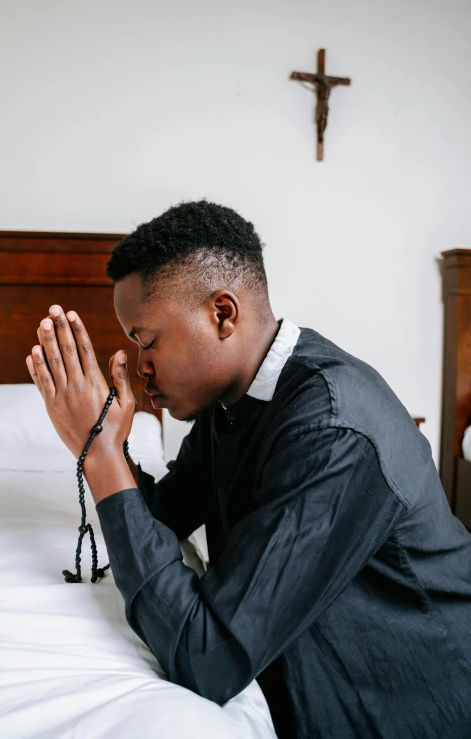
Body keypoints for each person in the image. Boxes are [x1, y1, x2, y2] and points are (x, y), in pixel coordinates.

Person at [27, 200, 471, 739]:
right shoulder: (231, 403)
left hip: (417, 706)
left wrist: (98, 456)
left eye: (148, 340)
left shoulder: (331, 428)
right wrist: (109, 443)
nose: (140, 365)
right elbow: (161, 516)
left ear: (222, 313)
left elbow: (207, 658)